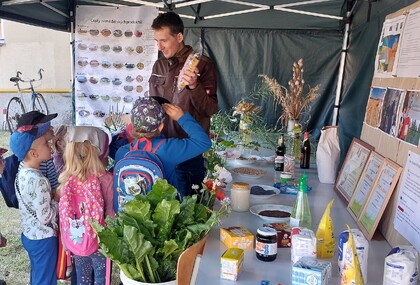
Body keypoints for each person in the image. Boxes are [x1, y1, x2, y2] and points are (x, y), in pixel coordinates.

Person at [149, 11, 218, 197]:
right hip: (160, 151)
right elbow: (152, 106)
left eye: (163, 40)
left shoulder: (202, 64)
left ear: (179, 36)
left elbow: (211, 109)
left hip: (187, 151)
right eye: (156, 41)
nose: (159, 46)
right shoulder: (159, 66)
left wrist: (194, 86)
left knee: (188, 213)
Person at [115, 97, 212, 195]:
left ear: (133, 124)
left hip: (132, 208)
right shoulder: (167, 149)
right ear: (161, 126)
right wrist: (181, 117)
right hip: (165, 208)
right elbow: (203, 142)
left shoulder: (122, 152)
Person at [58, 126, 115, 285]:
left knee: (82, 278)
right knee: (101, 279)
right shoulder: (106, 179)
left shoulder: (66, 180)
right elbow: (111, 214)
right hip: (99, 242)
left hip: (77, 239)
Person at [9, 122, 59, 285]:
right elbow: (45, 217)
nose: (49, 144)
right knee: (45, 280)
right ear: (34, 154)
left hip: (29, 234)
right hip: (43, 238)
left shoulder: (22, 172)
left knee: (38, 275)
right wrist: (59, 200)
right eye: (45, 143)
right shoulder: (40, 181)